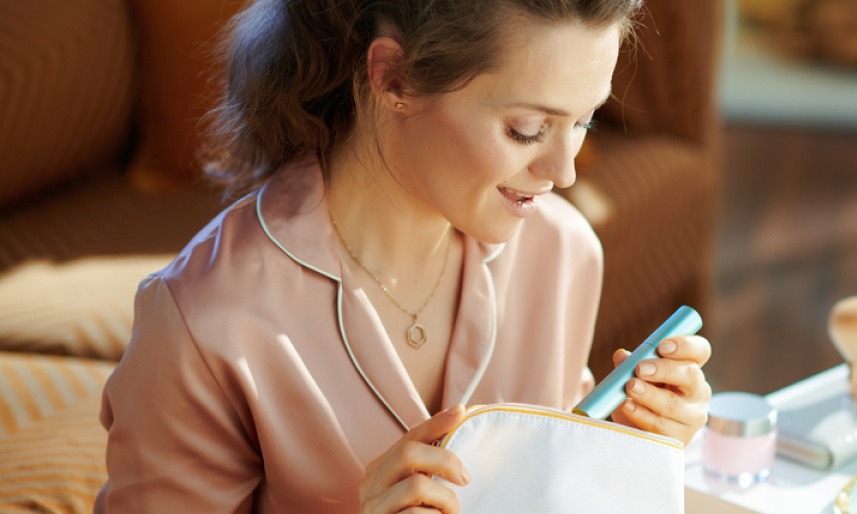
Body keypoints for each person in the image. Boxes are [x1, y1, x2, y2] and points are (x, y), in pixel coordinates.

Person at [94, 0, 713, 512]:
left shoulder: (562, 252)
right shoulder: (205, 321)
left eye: (585, 122)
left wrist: (634, 443)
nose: (565, 171)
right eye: (527, 129)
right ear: (395, 78)